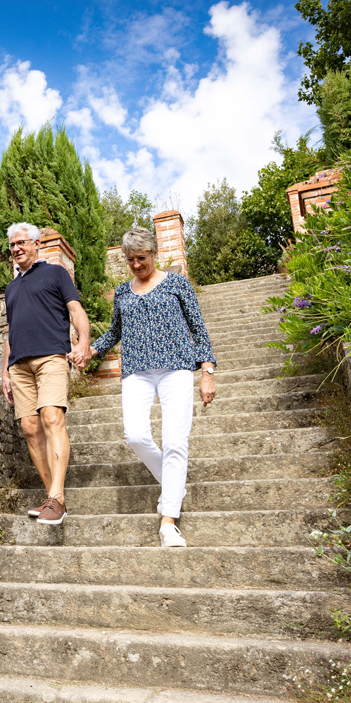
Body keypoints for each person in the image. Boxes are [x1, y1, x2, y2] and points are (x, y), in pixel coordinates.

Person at [78, 226, 215, 548]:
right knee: (136, 435)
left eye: (141, 258)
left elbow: (198, 328)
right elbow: (115, 332)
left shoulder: (178, 284)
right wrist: (90, 350)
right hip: (137, 372)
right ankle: (174, 486)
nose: (136, 264)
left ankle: (169, 522)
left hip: (177, 369)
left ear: (154, 254)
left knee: (175, 441)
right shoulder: (123, 292)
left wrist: (207, 370)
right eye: (130, 260)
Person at [0, 222, 92, 525]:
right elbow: (10, 333)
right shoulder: (11, 288)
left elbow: (76, 310)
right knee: (29, 427)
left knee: (52, 416)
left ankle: (57, 499)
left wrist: (84, 342)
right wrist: (5, 373)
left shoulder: (55, 273)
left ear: (37, 244)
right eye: (12, 245)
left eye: (22, 243)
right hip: (20, 366)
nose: (16, 249)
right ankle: (50, 496)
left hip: (51, 356)